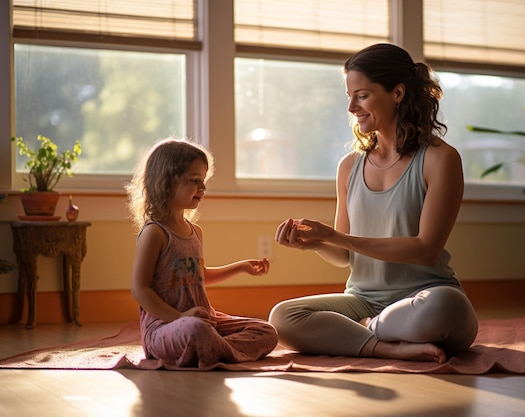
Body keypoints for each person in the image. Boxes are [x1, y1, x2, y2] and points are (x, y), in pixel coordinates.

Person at [269, 43, 478, 364]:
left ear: (397, 93)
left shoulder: (440, 159)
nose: (352, 107)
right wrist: (316, 243)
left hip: (425, 297)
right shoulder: (349, 166)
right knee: (283, 315)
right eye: (349, 96)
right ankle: (385, 345)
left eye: (362, 95)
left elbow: (425, 250)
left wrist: (335, 237)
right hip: (363, 300)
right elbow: (342, 257)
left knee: (448, 307)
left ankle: (364, 332)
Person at [126, 137, 278, 368]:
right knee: (195, 330)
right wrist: (180, 318)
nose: (203, 188)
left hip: (205, 319)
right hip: (165, 327)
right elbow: (140, 290)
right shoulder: (154, 233)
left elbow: (198, 275)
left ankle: (210, 349)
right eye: (195, 180)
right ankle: (211, 348)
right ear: (166, 182)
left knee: (266, 331)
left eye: (204, 180)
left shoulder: (195, 231)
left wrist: (240, 267)